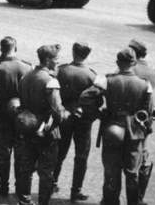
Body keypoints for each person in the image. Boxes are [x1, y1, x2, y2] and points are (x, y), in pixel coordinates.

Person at [78, 48, 154, 205]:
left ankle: (110, 201)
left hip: (112, 127)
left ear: (118, 63)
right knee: (132, 172)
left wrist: (99, 113)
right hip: (134, 132)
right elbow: (149, 113)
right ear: (133, 63)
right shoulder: (145, 84)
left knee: (111, 172)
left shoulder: (107, 80)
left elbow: (85, 97)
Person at [15, 44, 71, 205]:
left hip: (27, 128)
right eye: (56, 59)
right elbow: (58, 112)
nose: (57, 62)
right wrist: (66, 114)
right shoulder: (50, 81)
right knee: (46, 171)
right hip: (46, 132)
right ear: (47, 60)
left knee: (26, 167)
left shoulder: (26, 77)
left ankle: (24, 201)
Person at [0, 36, 31, 197]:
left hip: (3, 112)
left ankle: (3, 186)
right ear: (15, 48)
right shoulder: (26, 66)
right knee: (20, 150)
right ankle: (20, 187)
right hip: (21, 112)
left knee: (4, 150)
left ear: (1, 49)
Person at [52, 41, 97, 202]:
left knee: (59, 152)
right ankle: (76, 190)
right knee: (81, 156)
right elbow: (97, 101)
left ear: (73, 52)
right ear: (87, 55)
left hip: (64, 117)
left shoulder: (61, 70)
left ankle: (52, 183)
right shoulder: (92, 75)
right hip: (83, 120)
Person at [128, 39, 155, 205]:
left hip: (127, 119)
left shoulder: (129, 69)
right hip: (145, 119)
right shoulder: (153, 72)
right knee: (143, 156)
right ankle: (138, 198)